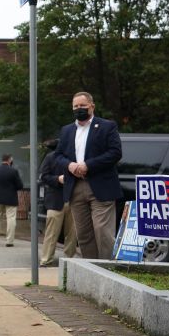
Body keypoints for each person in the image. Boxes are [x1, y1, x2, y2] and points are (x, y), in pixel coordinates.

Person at [54, 92, 122, 259]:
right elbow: (57, 156)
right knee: (84, 234)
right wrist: (69, 165)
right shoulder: (67, 130)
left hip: (101, 187)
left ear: (92, 106)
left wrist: (88, 165)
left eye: (83, 105)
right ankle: (91, 269)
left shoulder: (107, 126)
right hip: (75, 187)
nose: (79, 109)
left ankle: (108, 271)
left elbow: (115, 153)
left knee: (103, 232)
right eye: (76, 106)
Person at [39, 139, 77, 267]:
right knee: (51, 233)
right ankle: (46, 259)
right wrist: (57, 179)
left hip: (73, 199)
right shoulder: (50, 157)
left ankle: (69, 260)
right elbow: (43, 176)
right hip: (55, 200)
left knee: (72, 234)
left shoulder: (76, 157)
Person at [0, 154, 23, 247]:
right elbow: (20, 186)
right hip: (11, 198)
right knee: (11, 218)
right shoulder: (14, 171)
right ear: (10, 160)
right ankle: (9, 241)